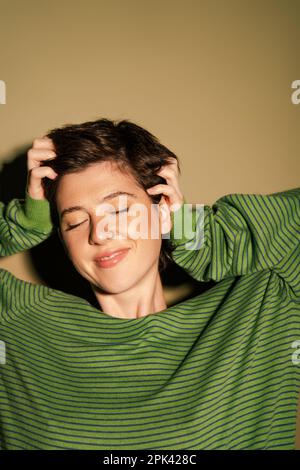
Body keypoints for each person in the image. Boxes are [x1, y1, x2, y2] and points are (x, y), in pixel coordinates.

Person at [0, 118, 299, 450]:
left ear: (163, 209)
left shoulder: (258, 309)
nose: (98, 233)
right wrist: (25, 222)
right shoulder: (19, 323)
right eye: (75, 221)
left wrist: (197, 234)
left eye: (120, 210)